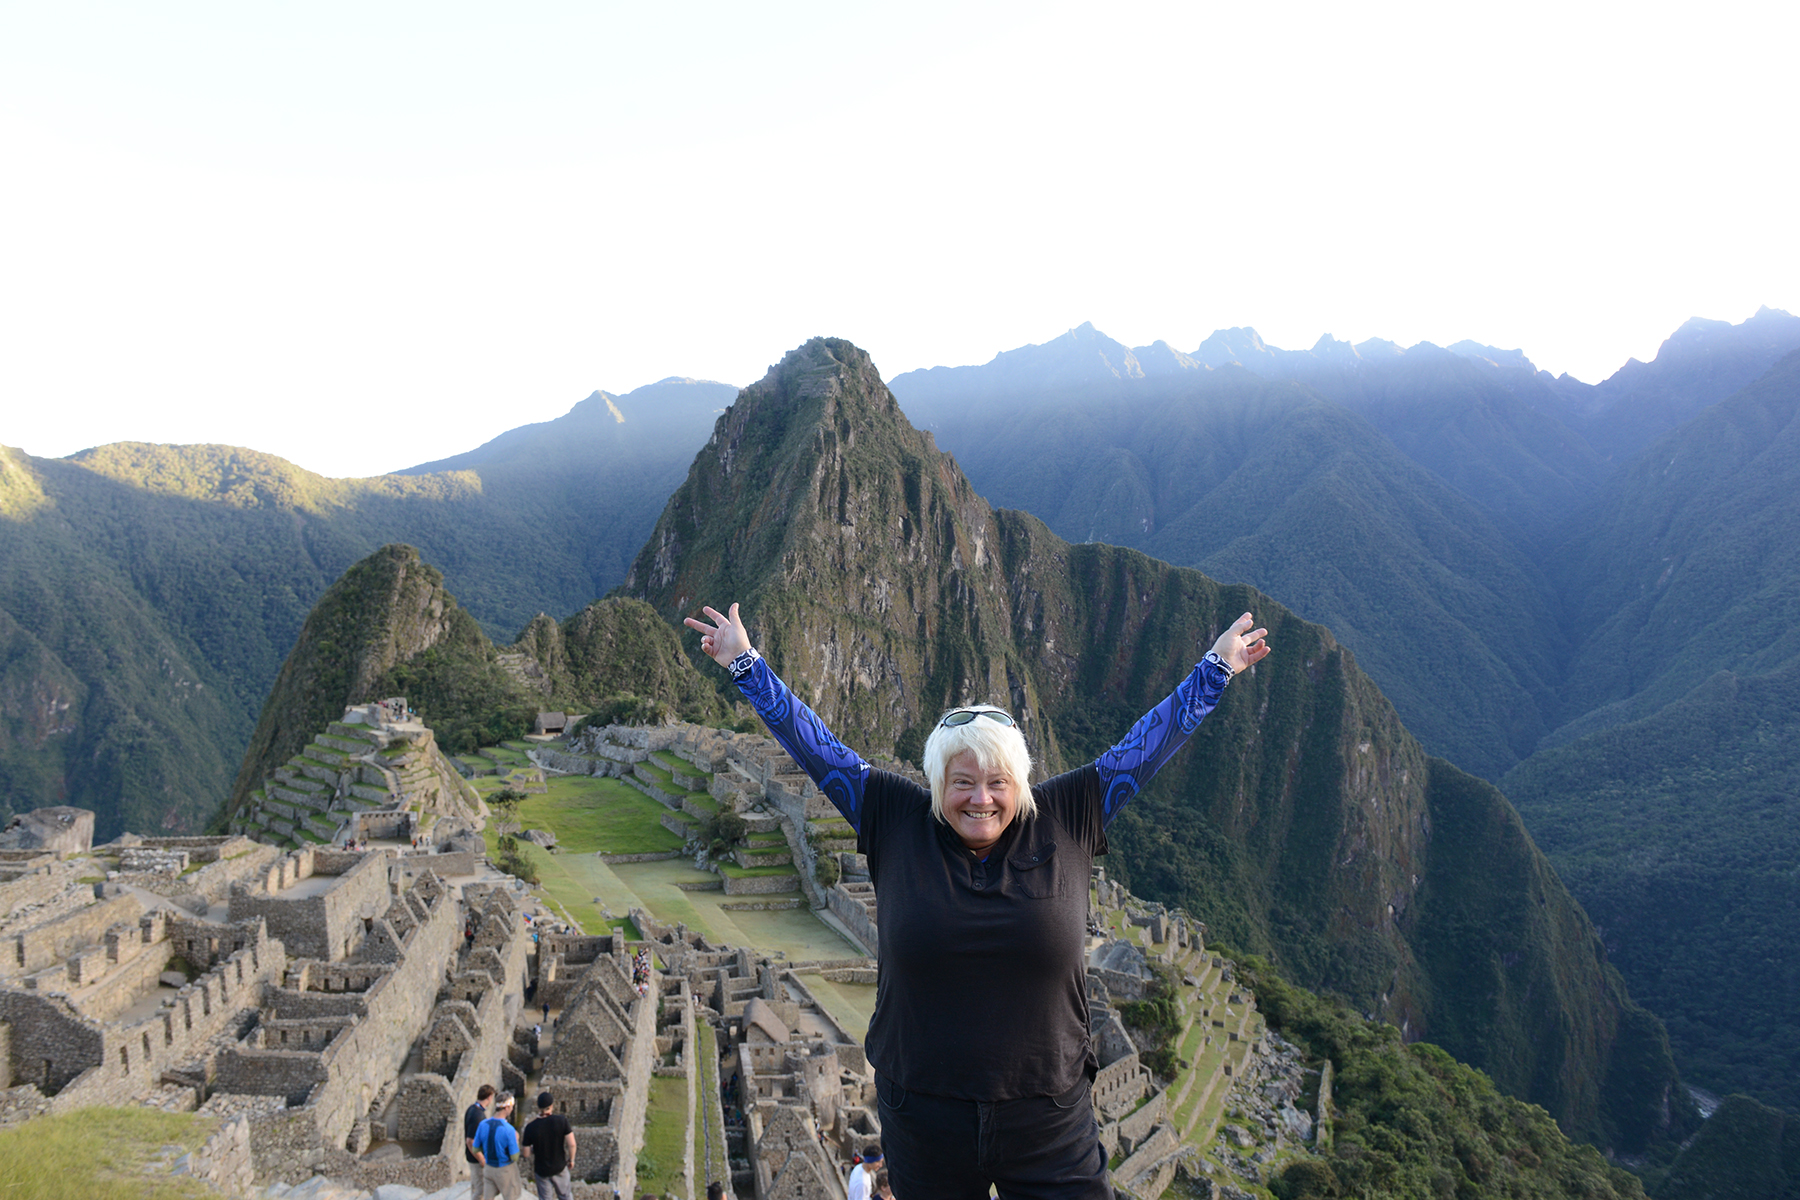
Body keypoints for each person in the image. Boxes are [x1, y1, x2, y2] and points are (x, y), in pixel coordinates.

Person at [686, 603, 1269, 1199]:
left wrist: (1216, 669)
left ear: (1021, 782)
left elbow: (1146, 747)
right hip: (923, 1114)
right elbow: (816, 748)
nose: (980, 799)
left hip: (1049, 1113)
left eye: (997, 783)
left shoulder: (1068, 814)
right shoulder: (894, 817)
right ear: (937, 782)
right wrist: (744, 664)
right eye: (961, 782)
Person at [520, 1091, 577, 1200]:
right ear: (551, 1106)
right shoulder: (561, 1120)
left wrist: (534, 1148)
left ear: (538, 1107)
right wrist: (572, 1160)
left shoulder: (530, 1127)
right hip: (559, 1167)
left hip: (542, 1171)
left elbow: (526, 1153)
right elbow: (572, 1144)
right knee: (565, 1196)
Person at [473, 1091, 523, 1200]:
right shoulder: (509, 1130)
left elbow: (475, 1148)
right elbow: (514, 1156)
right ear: (507, 1107)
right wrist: (516, 1140)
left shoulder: (483, 1124)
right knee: (511, 1197)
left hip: (488, 1168)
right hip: (504, 1169)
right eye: (511, 1107)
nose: (512, 1109)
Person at [464, 1083, 495, 1193]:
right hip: (477, 1160)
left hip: (472, 1157)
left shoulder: (471, 1109)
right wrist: (482, 1160)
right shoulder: (478, 1116)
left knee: (476, 1188)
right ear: (489, 1097)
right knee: (480, 1191)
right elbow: (470, 1141)